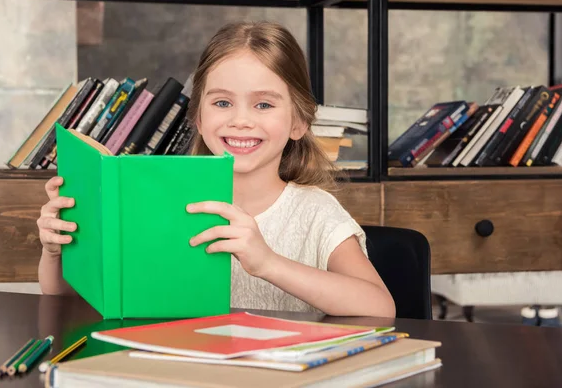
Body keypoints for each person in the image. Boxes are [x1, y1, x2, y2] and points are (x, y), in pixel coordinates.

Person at [37, 21, 396, 318]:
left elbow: (379, 307)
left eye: (264, 104)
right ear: (198, 116)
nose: (240, 120)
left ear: (298, 122)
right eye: (222, 102)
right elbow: (66, 304)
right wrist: (55, 253)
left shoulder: (315, 213)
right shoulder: (159, 201)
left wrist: (268, 263)